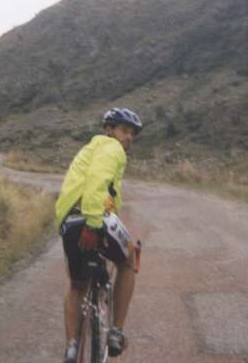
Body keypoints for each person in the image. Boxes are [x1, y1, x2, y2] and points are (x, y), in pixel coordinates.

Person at [56, 108, 143, 362]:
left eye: (132, 134)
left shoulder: (87, 150)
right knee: (128, 259)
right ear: (109, 130)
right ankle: (116, 331)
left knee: (77, 285)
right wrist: (94, 225)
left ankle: (72, 348)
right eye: (124, 130)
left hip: (68, 222)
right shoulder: (111, 148)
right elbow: (96, 182)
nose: (129, 137)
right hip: (92, 218)